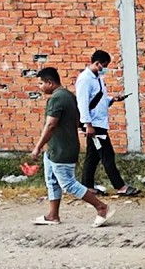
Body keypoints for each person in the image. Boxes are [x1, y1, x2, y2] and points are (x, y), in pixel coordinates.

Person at [29, 67, 116, 228]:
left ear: (50, 82)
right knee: (52, 180)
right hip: (55, 148)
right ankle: (53, 215)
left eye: (41, 83)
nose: (40, 87)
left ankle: (101, 207)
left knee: (68, 183)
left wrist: (38, 147)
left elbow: (50, 125)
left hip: (62, 148)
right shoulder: (68, 96)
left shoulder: (56, 99)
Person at [76, 49, 140, 197]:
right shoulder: (85, 79)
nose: (104, 68)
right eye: (103, 65)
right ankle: (120, 186)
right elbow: (83, 103)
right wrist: (88, 124)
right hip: (94, 124)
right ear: (97, 63)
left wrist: (113, 99)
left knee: (93, 156)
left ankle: (87, 186)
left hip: (99, 122)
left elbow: (99, 99)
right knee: (107, 155)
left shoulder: (97, 77)